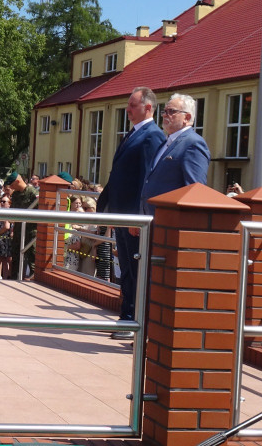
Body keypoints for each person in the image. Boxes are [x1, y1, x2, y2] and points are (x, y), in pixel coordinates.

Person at [100, 86, 166, 340]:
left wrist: (139, 216)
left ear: (148, 108)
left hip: (134, 218)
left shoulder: (152, 136)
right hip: (122, 215)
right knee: (126, 268)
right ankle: (126, 316)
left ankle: (133, 320)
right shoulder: (134, 133)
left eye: (133, 105)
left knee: (136, 270)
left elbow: (146, 181)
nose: (128, 110)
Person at [140, 93, 210, 216]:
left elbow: (195, 189)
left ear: (187, 117)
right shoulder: (165, 144)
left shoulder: (193, 144)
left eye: (171, 111)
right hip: (151, 221)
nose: (165, 115)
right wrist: (141, 214)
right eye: (164, 111)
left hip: (171, 222)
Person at [6, 171, 38, 279]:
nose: (11, 187)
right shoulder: (15, 195)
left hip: (31, 231)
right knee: (16, 256)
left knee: (32, 257)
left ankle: (34, 279)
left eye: (12, 184)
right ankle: (15, 278)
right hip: (19, 230)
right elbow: (12, 211)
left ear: (18, 181)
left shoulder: (33, 193)